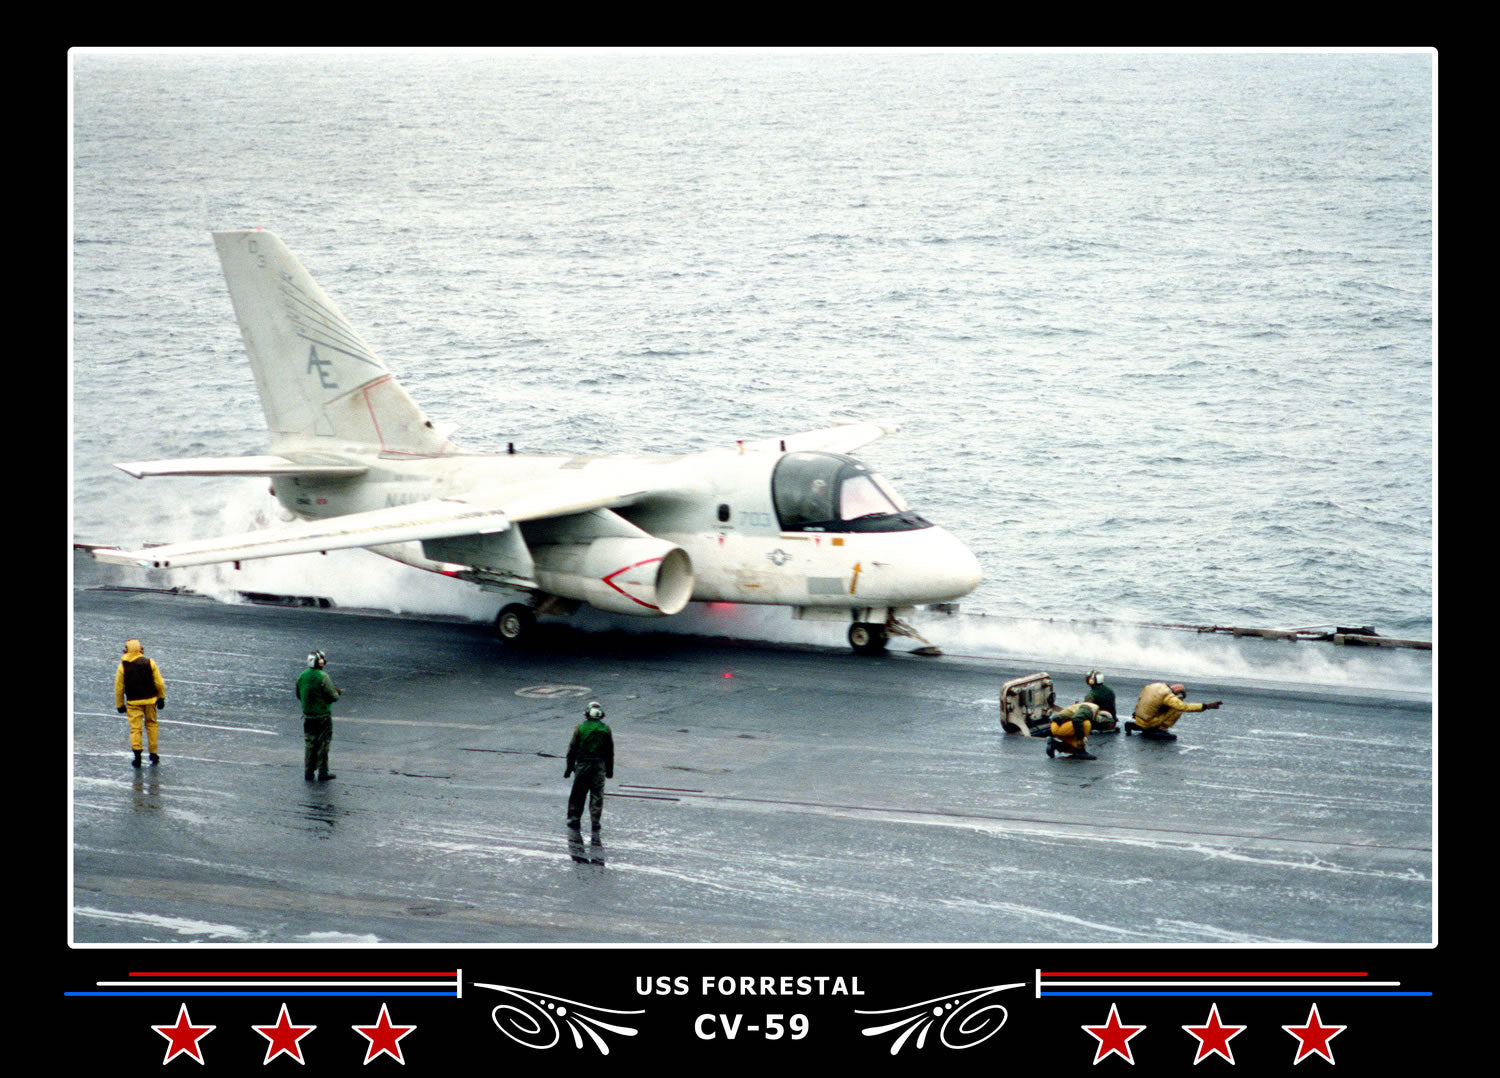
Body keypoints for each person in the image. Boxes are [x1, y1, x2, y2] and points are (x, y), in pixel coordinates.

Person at [114, 638, 166, 767]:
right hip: (150, 701)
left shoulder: (123, 666)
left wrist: (120, 704)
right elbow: (159, 682)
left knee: (135, 729)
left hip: (133, 702)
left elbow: (119, 687)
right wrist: (161, 697)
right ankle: (153, 754)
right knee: (152, 725)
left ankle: (137, 756)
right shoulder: (150, 663)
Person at [565, 700, 615, 833]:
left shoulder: (580, 728)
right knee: (597, 793)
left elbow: (572, 749)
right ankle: (595, 821)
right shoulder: (605, 729)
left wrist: (569, 767)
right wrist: (609, 770)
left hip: (583, 765)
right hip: (599, 765)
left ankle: (574, 818)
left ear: (587, 714)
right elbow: (610, 752)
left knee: (578, 793)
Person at [295, 649, 342, 780]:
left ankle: (308, 772)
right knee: (323, 744)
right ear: (319, 662)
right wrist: (337, 693)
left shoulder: (302, 676)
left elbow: (299, 694)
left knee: (310, 743)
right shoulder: (323, 676)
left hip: (308, 716)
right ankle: (323, 772)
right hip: (322, 716)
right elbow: (333, 697)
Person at [1127, 681, 1222, 741]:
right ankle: (1160, 730)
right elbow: (1184, 707)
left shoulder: (1154, 686)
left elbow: (1142, 699)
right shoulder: (1168, 696)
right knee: (1177, 708)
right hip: (1149, 722)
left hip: (1139, 718)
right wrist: (1206, 706)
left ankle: (1138, 725)